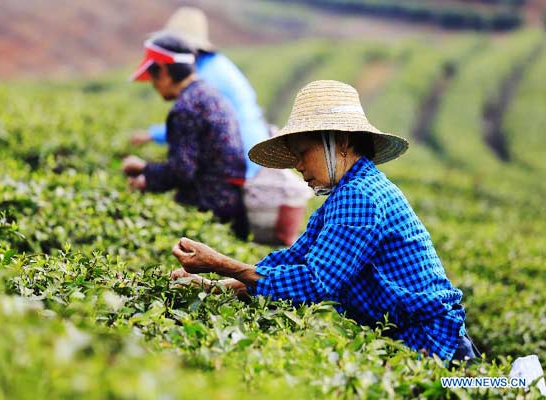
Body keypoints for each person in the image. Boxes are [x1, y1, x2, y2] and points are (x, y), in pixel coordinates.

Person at [170, 80, 480, 363]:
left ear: (341, 142)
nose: (300, 167)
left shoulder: (360, 197)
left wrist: (219, 264)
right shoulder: (343, 196)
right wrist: (214, 287)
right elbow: (290, 261)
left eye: (304, 153)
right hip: (417, 341)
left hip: (437, 347)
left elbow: (314, 283)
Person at [123, 34, 249, 239]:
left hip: (208, 206)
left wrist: (146, 174)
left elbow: (182, 170)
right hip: (231, 201)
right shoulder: (209, 94)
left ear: (163, 71)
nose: (154, 86)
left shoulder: (185, 108)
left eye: (153, 77)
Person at [130, 6, 269, 180]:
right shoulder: (214, 64)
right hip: (250, 150)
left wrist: (148, 168)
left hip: (243, 159)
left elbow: (189, 123)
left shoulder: (203, 79)